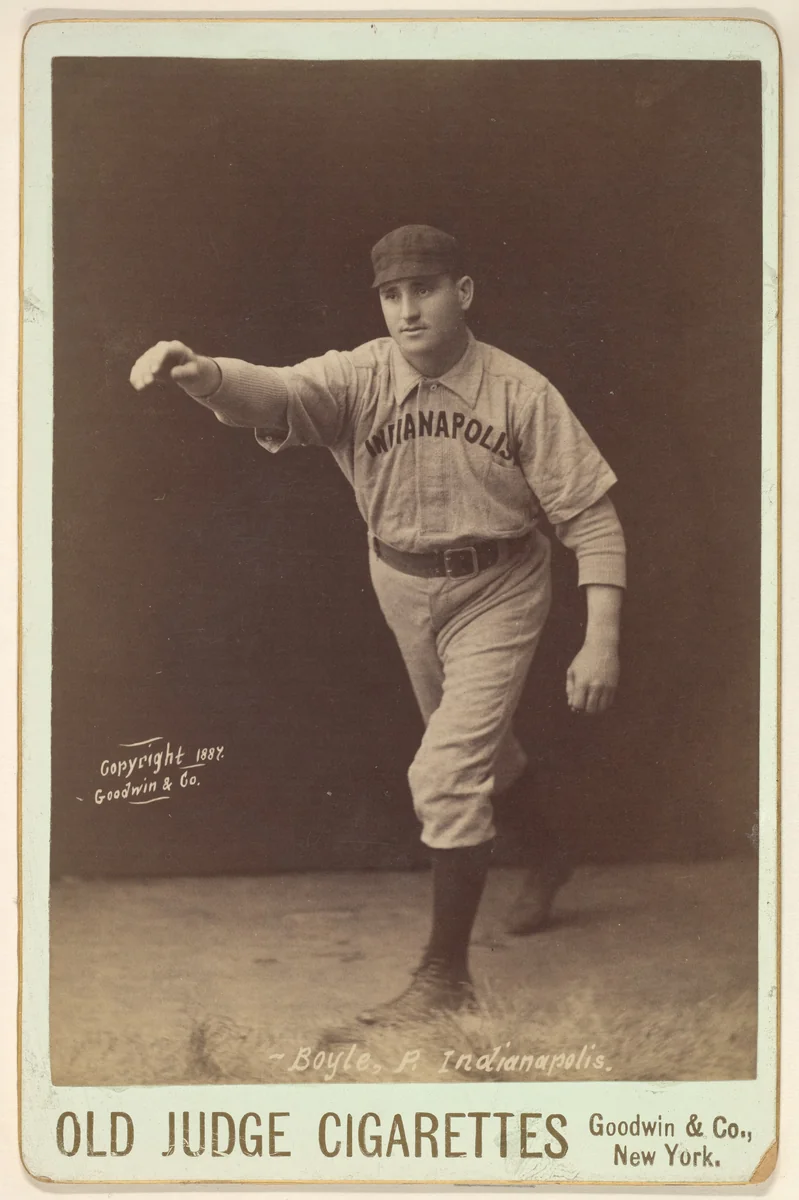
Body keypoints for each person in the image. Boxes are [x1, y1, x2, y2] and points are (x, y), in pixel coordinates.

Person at [130, 224, 626, 1027]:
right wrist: (204, 375)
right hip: (399, 582)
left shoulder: (520, 392)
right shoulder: (359, 375)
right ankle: (548, 855)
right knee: (475, 746)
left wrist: (600, 638)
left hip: (499, 586)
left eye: (423, 289)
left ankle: (444, 979)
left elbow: (592, 519)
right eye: (392, 295)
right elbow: (277, 393)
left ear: (462, 293)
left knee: (446, 770)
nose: (407, 310)